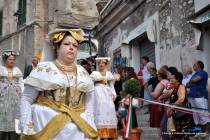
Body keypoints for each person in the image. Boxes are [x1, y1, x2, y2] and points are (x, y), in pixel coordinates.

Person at [20, 29, 98, 140]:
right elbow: (27, 98)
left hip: (78, 127)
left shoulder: (83, 72)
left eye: (75, 45)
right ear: (57, 48)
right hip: (46, 123)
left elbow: (89, 100)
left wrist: (90, 120)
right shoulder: (43, 69)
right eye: (66, 44)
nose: (71, 47)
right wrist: (26, 123)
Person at [90, 57, 118, 139]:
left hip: (107, 93)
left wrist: (114, 93)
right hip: (97, 94)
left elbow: (111, 85)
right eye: (100, 63)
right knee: (99, 111)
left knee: (110, 109)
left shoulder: (109, 74)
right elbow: (89, 84)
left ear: (106, 64)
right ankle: (100, 134)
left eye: (103, 63)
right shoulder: (94, 73)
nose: (101, 64)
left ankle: (109, 133)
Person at [0, 50, 23, 140]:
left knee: (15, 116)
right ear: (6, 60)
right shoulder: (1, 70)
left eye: (13, 59)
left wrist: (21, 94)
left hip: (15, 98)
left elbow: (21, 83)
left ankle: (14, 135)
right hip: (3, 97)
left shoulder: (17, 70)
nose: (12, 61)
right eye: (10, 59)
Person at [186, 61, 209, 135]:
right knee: (196, 116)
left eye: (194, 64)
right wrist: (191, 82)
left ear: (199, 65)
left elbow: (194, 80)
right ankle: (200, 132)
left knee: (203, 115)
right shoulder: (194, 74)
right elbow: (188, 85)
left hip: (200, 96)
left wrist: (192, 82)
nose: (193, 66)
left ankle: (207, 132)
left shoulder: (203, 72)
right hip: (192, 97)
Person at [149, 68, 169, 139]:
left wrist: (148, 91)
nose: (157, 76)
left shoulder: (162, 82)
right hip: (163, 104)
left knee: (159, 124)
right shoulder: (167, 81)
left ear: (160, 75)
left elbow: (155, 95)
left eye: (158, 74)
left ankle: (161, 138)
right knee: (162, 123)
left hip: (159, 105)